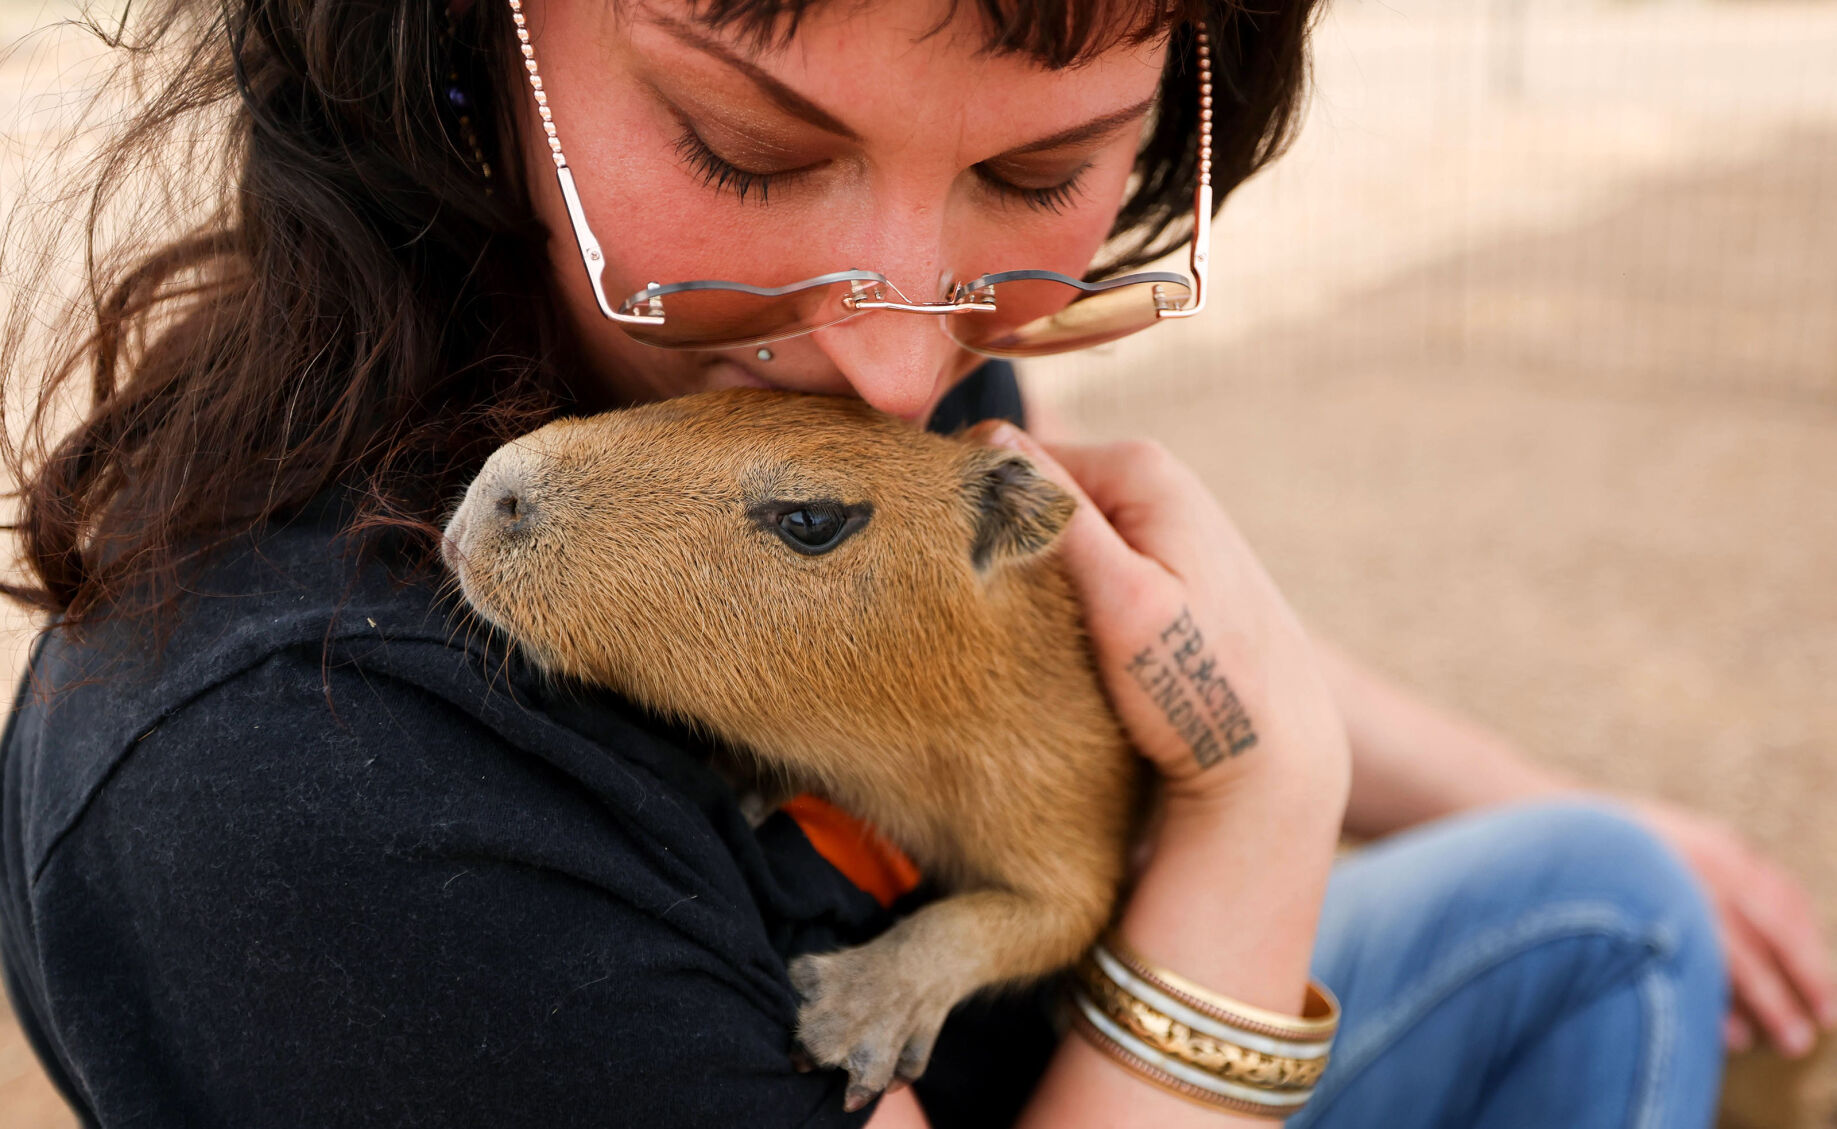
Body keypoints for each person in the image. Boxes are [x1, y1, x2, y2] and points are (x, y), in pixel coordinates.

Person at [0, 1, 1824, 1126]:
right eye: (741, 142)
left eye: (1038, 182)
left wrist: (1546, 793)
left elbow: (1120, 628)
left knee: (1611, 905)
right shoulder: (308, 794)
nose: (897, 363)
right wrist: (1260, 841)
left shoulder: (800, 358)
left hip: (1052, 1010)